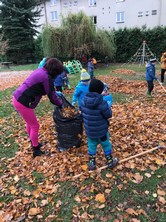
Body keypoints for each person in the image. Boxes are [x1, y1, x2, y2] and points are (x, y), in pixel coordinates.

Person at [13, 58, 64, 157]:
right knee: (34, 126)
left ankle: (33, 142)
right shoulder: (46, 77)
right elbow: (52, 97)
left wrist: (54, 91)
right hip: (23, 101)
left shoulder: (40, 70)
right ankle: (36, 149)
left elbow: (46, 89)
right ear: (54, 71)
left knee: (30, 123)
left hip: (18, 98)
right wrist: (61, 104)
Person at [80, 78, 118, 171]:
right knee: (105, 144)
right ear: (100, 91)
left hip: (90, 131)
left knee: (92, 145)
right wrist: (109, 108)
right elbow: (108, 115)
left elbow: (82, 113)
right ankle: (110, 161)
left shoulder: (83, 101)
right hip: (102, 131)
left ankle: (92, 164)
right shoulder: (102, 103)